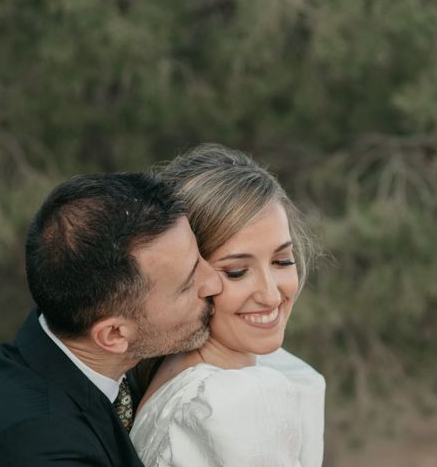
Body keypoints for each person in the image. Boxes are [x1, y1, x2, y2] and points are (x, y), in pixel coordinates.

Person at [0, 172, 222, 466]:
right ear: (114, 335)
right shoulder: (44, 450)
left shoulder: (73, 356)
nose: (214, 282)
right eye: (187, 284)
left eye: (199, 258)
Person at [130, 145, 326, 467]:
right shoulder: (230, 404)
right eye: (237, 272)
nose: (271, 295)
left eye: (282, 260)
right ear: (186, 277)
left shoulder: (181, 371)